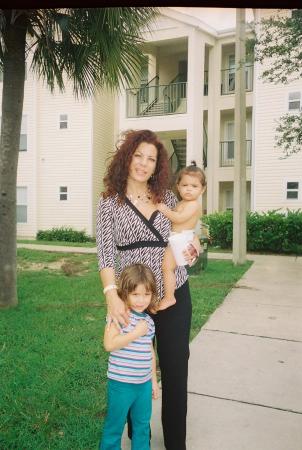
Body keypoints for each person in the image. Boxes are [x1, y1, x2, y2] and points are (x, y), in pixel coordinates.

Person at [96, 129, 198, 450]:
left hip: (174, 295)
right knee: (134, 374)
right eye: (138, 155)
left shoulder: (168, 197)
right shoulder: (110, 202)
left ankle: (176, 445)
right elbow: (105, 253)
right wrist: (113, 296)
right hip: (134, 301)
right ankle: (140, 439)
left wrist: (194, 244)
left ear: (158, 166)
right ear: (127, 157)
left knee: (175, 371)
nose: (143, 163)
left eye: (151, 159)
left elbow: (186, 231)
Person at [100, 263, 159, 450]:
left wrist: (154, 380)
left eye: (146, 294)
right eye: (135, 294)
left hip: (143, 385)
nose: (141, 300)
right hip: (121, 384)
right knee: (114, 427)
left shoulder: (148, 321)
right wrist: (136, 333)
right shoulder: (119, 314)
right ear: (125, 292)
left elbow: (149, 351)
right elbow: (109, 344)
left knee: (141, 427)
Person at [157, 161, 206, 310]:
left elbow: (178, 219)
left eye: (194, 186)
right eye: (185, 185)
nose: (189, 189)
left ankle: (170, 297)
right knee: (167, 267)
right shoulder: (182, 202)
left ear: (202, 190)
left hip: (181, 239)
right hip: (178, 238)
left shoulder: (193, 205)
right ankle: (169, 296)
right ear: (178, 187)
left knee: (167, 268)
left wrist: (164, 209)